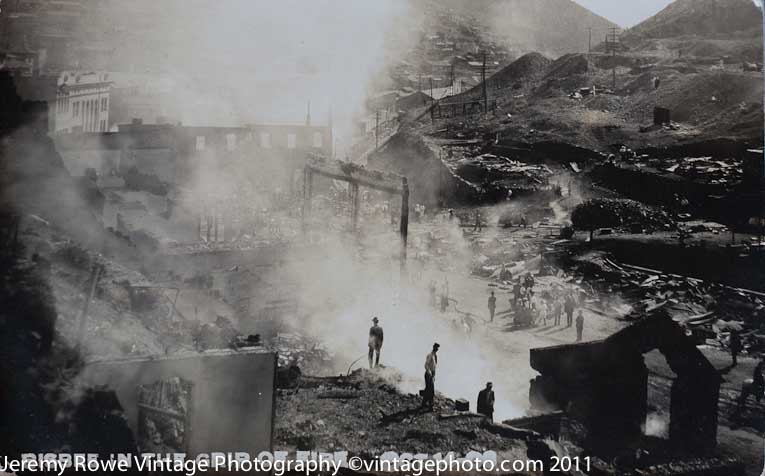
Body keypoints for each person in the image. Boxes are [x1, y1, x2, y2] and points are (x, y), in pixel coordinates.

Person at [422, 343, 440, 410]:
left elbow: (434, 367)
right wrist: (430, 374)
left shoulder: (435, 356)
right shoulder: (430, 355)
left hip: (432, 375)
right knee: (431, 391)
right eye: (436, 347)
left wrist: (434, 376)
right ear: (433, 347)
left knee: (427, 390)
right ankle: (430, 407)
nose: (437, 349)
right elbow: (426, 365)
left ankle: (423, 404)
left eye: (437, 348)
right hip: (428, 374)